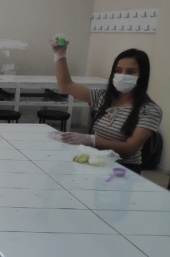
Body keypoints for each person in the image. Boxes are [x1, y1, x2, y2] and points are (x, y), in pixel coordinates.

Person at [50, 38, 162, 174]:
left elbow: (130, 148)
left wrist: (91, 140)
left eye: (131, 72)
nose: (122, 76)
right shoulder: (103, 97)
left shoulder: (150, 110)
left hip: (124, 169)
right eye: (118, 71)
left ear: (142, 75)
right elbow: (66, 85)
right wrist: (60, 54)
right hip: (97, 161)